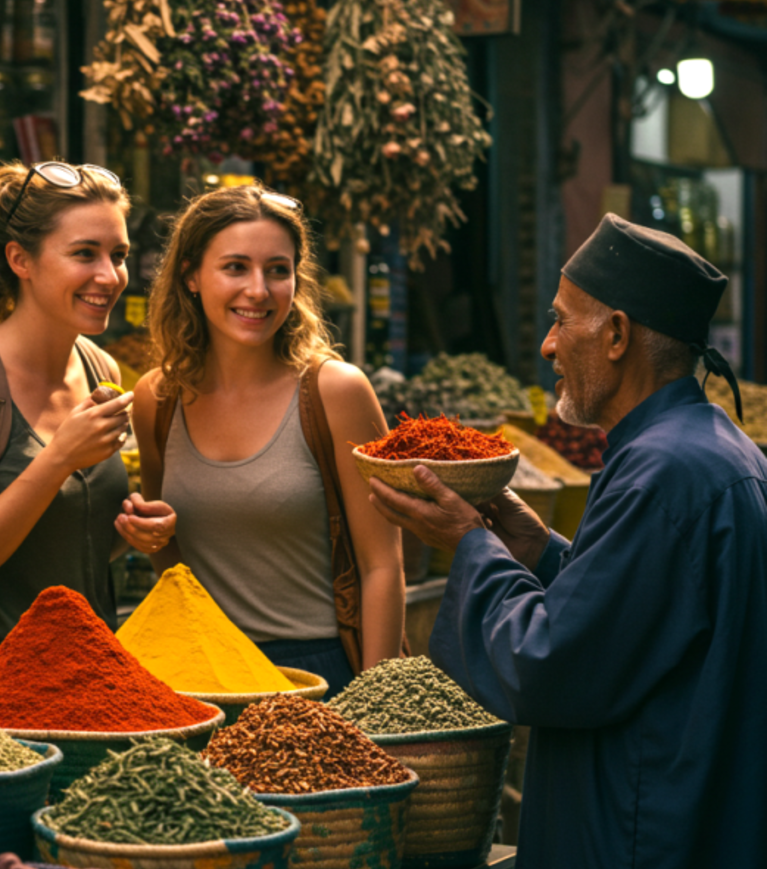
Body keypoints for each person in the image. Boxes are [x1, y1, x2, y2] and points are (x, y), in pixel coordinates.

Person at [369, 213, 767, 867]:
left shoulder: (662, 475)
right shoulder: (711, 449)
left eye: (560, 320)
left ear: (615, 335)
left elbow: (551, 664)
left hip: (642, 830)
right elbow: (641, 618)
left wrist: (469, 544)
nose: (548, 346)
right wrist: (541, 551)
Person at [131, 184, 404, 696]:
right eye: (235, 267)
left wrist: (374, 704)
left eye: (278, 270)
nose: (258, 290)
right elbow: (169, 558)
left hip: (319, 670)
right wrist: (146, 533)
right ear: (190, 276)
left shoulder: (335, 391)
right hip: (203, 674)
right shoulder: (157, 398)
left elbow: (382, 564)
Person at [0, 161, 176, 679]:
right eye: (84, 254)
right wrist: (58, 460)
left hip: (95, 681)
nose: (109, 276)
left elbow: (67, 537)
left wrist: (132, 531)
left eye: (118, 255)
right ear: (20, 260)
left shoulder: (99, 367)